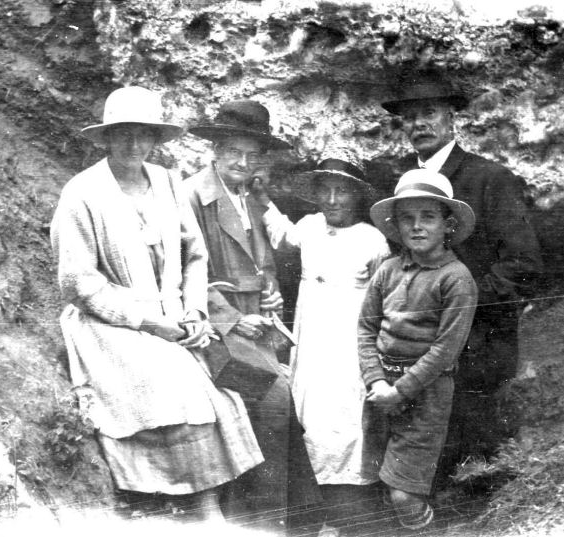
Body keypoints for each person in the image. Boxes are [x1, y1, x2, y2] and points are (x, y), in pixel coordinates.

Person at [50, 86, 263, 525]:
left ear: (155, 139)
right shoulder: (82, 194)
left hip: (175, 315)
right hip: (113, 322)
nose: (133, 146)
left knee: (229, 389)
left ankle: (213, 508)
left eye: (143, 135)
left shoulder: (166, 181)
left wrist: (193, 312)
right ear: (106, 138)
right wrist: (148, 322)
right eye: (123, 135)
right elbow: (80, 285)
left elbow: (195, 256)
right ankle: (192, 509)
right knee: (175, 386)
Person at [377, 73, 543, 473]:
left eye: (429, 112)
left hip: (479, 343)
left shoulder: (489, 178)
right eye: (410, 116)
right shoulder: (400, 185)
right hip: (419, 344)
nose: (419, 124)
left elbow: (523, 265)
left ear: (452, 119)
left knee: (473, 460)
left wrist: (458, 305)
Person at [185, 100, 320, 532]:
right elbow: (180, 272)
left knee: (279, 409)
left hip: (256, 327)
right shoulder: (191, 197)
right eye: (233, 153)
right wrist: (229, 319)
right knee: (272, 403)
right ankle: (261, 525)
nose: (242, 162)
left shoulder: (252, 200)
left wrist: (272, 295)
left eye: (252, 155)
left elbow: (266, 265)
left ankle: (288, 524)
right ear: (215, 151)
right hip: (213, 325)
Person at [252, 146, 392, 534]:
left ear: (357, 195)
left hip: (348, 339)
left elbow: (383, 298)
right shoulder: (310, 226)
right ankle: (309, 497)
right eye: (325, 190)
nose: (332, 200)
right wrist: (263, 198)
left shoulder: (374, 240)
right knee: (307, 405)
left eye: (342, 191)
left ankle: (350, 500)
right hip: (311, 334)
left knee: (345, 410)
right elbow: (281, 236)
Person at [358, 169, 478, 530]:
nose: (417, 226)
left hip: (425, 394)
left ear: (448, 225)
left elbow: (445, 350)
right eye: (407, 218)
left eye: (428, 216)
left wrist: (401, 390)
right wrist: (376, 382)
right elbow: (366, 327)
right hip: (381, 391)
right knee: (381, 479)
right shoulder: (388, 270)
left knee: (404, 493)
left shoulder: (456, 278)